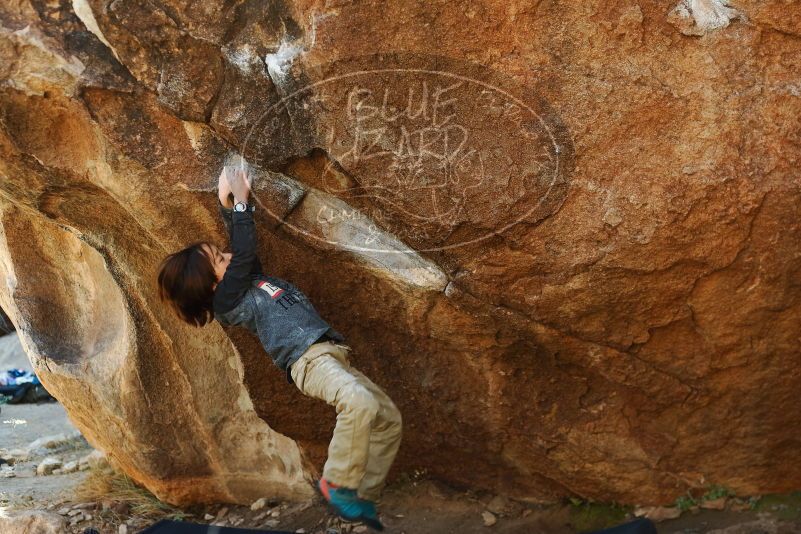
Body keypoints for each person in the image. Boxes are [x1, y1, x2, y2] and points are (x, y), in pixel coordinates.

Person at [157, 166, 402, 530]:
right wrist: (240, 204)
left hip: (331, 354)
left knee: (388, 420)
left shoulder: (245, 279)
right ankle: (337, 483)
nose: (228, 256)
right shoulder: (228, 302)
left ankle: (363, 495)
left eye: (223, 253)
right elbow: (243, 254)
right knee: (359, 401)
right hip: (308, 362)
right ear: (211, 288)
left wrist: (228, 206)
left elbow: (244, 258)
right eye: (220, 260)